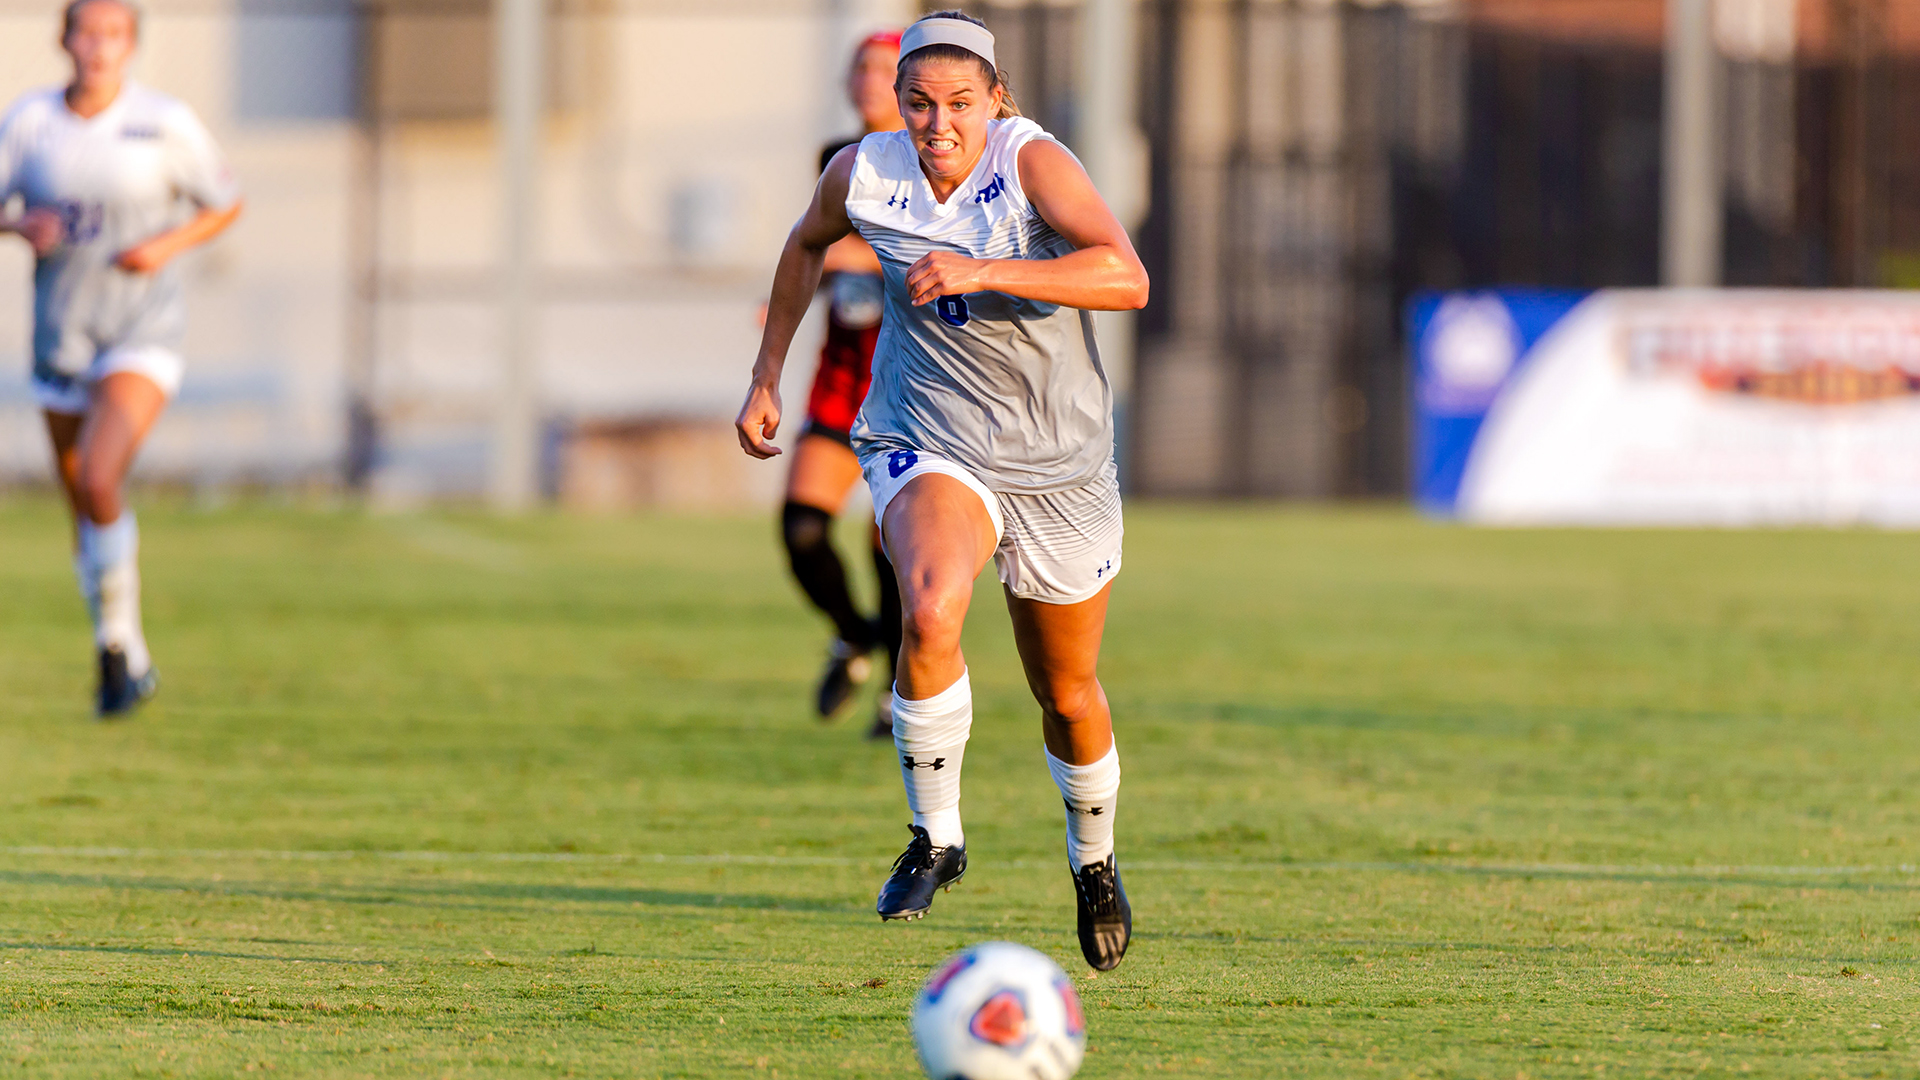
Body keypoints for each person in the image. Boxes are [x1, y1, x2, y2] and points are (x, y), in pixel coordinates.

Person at [735, 10, 1149, 971]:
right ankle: (937, 838)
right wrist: (764, 376)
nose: (938, 123)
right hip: (929, 436)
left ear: (995, 100)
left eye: (960, 102)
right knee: (928, 607)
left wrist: (987, 267)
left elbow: (1126, 276)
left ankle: (1093, 861)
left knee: (1069, 690)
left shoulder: (1034, 163)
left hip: (1059, 461)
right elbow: (805, 246)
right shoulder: (864, 171)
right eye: (920, 103)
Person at [0, 0, 242, 717]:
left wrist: (163, 247)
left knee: (103, 477)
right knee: (81, 498)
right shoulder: (31, 123)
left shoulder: (162, 122)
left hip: (142, 330)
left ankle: (113, 649)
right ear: (63, 40)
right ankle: (126, 652)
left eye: (114, 35)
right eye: (87, 32)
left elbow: (222, 201)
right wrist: (20, 225)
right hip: (61, 337)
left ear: (132, 45)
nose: (99, 47)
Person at [782, 29, 906, 737]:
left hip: (906, 382)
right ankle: (853, 634)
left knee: (887, 547)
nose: (868, 80)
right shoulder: (837, 157)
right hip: (841, 375)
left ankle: (897, 691)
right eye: (860, 67)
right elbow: (818, 241)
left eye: (885, 69)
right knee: (802, 531)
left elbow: (864, 250)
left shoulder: (931, 162)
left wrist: (840, 261)